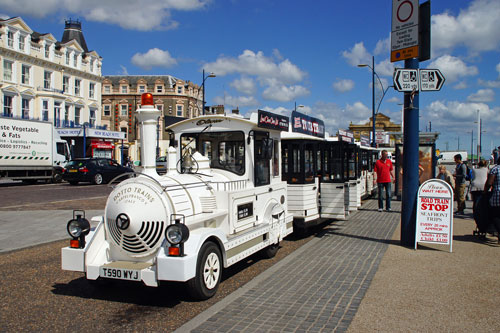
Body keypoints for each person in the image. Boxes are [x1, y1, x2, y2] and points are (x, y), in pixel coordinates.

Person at [483, 157, 500, 240]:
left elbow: (489, 183)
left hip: (497, 195)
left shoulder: (495, 169)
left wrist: (485, 191)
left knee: (495, 215)